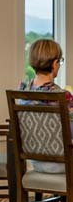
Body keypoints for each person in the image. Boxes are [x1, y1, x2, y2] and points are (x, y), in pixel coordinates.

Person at [19, 38, 73, 173]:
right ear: (54, 64)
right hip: (64, 162)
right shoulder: (61, 95)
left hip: (37, 163)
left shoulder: (23, 89)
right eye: (60, 61)